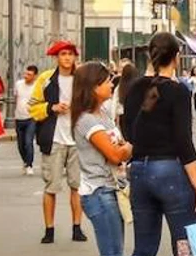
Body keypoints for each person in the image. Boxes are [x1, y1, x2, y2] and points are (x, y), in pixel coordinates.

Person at [122, 32, 196, 256]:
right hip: (169, 168)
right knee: (184, 244)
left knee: (144, 247)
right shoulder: (178, 91)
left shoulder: (134, 88)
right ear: (176, 57)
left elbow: (128, 131)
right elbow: (184, 142)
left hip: (139, 170)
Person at [71, 62, 133, 256]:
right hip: (99, 192)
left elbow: (119, 145)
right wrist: (128, 147)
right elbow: (114, 154)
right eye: (107, 81)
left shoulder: (103, 113)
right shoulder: (86, 120)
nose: (112, 85)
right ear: (93, 87)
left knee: (116, 249)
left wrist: (123, 148)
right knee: (112, 252)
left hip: (113, 188)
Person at [29, 40, 88, 244]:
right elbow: (33, 107)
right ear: (57, 57)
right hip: (53, 138)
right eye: (63, 54)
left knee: (77, 186)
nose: (67, 58)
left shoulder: (81, 79)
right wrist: (51, 108)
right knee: (51, 186)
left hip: (77, 139)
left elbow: (91, 103)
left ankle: (77, 227)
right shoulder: (46, 79)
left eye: (70, 54)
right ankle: (49, 229)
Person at [14, 65, 39, 176]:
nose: (26, 76)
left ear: (35, 76)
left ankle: (29, 165)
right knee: (20, 144)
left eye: (29, 75)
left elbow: (39, 100)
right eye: (25, 74)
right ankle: (25, 161)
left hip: (31, 118)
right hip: (19, 117)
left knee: (28, 142)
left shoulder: (37, 86)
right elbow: (16, 98)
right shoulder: (18, 84)